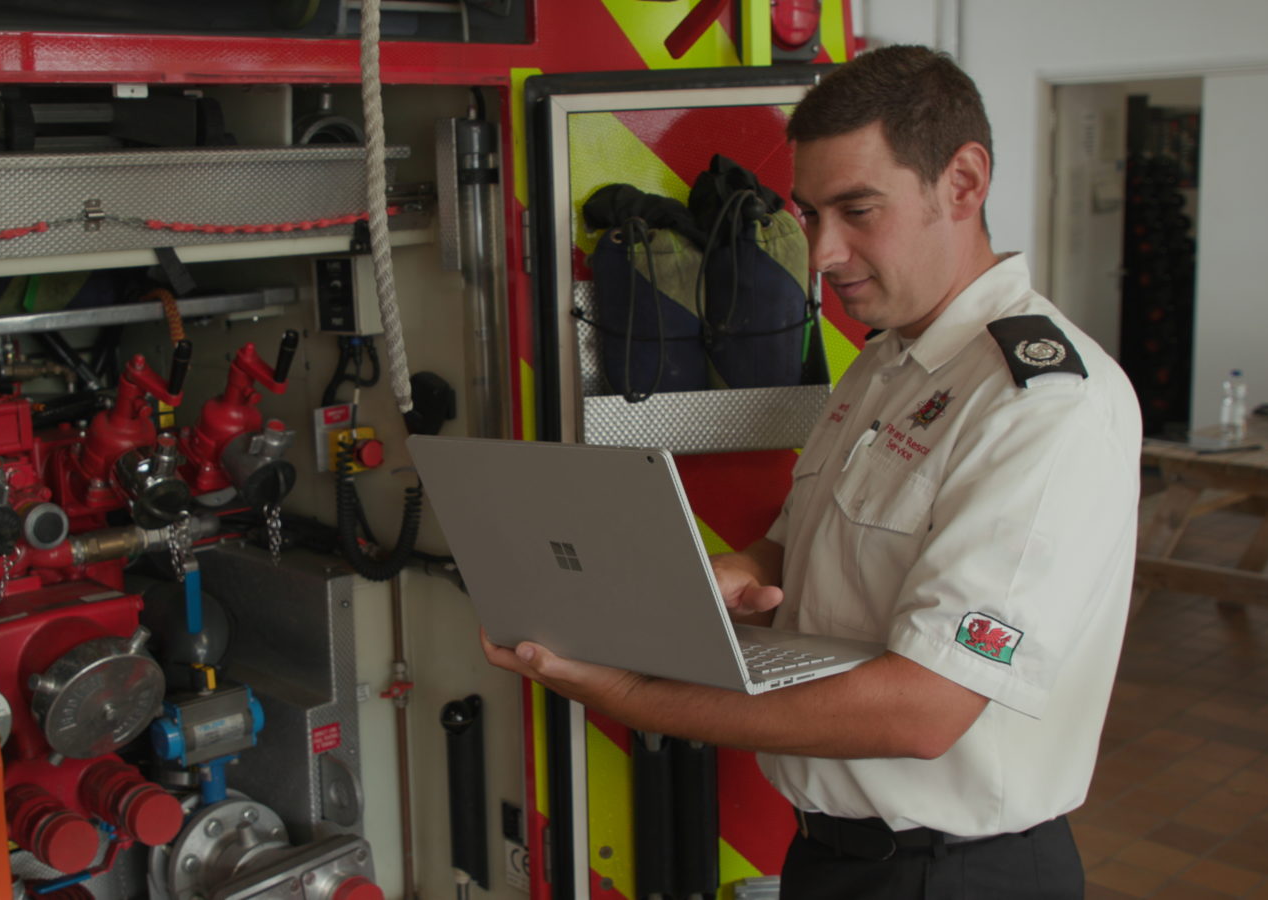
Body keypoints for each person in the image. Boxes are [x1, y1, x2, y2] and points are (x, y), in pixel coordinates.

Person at [481, 45, 1141, 899]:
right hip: (834, 860)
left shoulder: (1041, 405)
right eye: (811, 213)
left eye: (858, 210)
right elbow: (796, 547)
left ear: (964, 182)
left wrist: (634, 695)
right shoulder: (883, 364)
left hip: (956, 876)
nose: (823, 252)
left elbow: (924, 709)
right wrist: (710, 583)